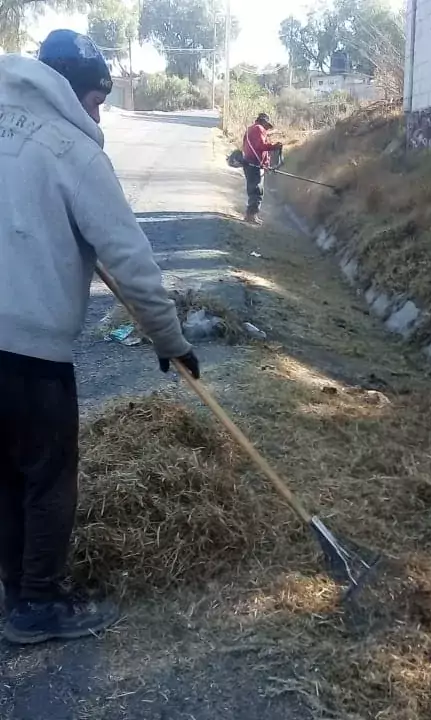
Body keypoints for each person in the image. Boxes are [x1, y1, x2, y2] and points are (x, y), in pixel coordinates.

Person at [0, 29, 200, 645]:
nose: (99, 113)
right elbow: (133, 263)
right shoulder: (74, 152)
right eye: (96, 98)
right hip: (30, 354)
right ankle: (38, 604)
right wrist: (170, 340)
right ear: (70, 88)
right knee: (48, 472)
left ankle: (17, 590)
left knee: (6, 474)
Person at [241, 112, 282, 225]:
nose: (267, 129)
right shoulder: (259, 129)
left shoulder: (250, 129)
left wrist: (266, 164)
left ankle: (250, 214)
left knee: (252, 189)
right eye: (267, 126)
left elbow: (249, 147)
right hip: (254, 165)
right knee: (257, 191)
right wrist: (274, 147)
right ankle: (251, 216)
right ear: (263, 122)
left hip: (249, 163)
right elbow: (261, 146)